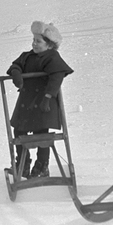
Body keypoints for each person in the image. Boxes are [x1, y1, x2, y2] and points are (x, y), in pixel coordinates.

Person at [6, 21, 74, 179]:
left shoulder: (51, 57)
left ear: (49, 44)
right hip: (27, 103)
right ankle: (23, 164)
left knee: (42, 135)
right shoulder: (28, 56)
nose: (34, 44)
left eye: (38, 41)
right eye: (33, 40)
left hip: (43, 103)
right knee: (19, 131)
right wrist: (16, 72)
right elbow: (15, 64)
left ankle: (42, 166)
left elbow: (57, 76)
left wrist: (48, 97)